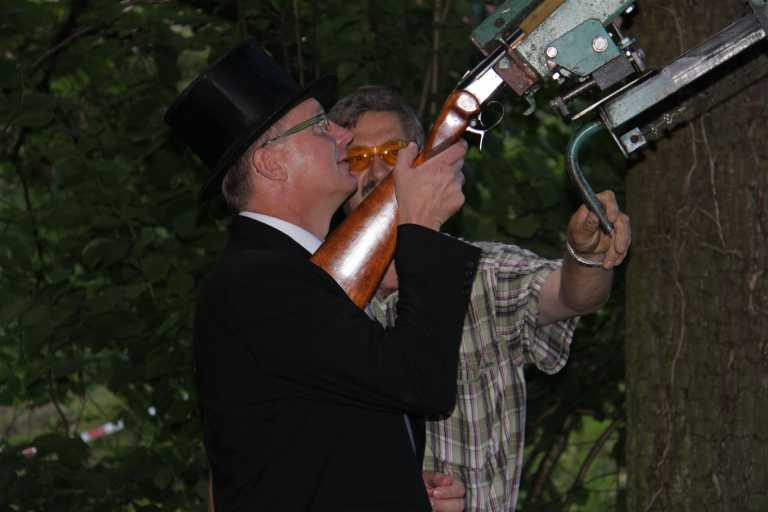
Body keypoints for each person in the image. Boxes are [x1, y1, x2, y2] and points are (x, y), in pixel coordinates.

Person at [165, 42, 481, 511]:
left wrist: (401, 489)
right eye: (318, 125)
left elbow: (312, 439)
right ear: (270, 163)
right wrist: (421, 227)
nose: (342, 134)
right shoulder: (259, 283)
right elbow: (421, 382)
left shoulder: (288, 273)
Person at [328, 85, 631, 512]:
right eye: (358, 158)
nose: (376, 172)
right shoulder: (317, 301)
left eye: (392, 153)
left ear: (421, 163)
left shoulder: (478, 274)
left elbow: (572, 295)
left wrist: (587, 254)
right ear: (338, 178)